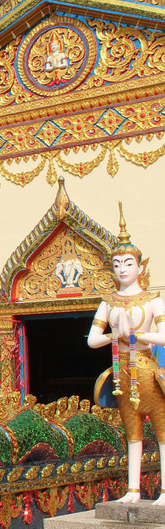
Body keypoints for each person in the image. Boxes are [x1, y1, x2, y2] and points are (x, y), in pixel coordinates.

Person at [88, 204, 165, 504]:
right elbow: (92, 340)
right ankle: (132, 490)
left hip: (148, 371)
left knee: (161, 434)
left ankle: (163, 491)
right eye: (117, 264)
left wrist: (137, 335)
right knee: (132, 434)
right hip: (121, 375)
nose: (123, 270)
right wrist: (112, 335)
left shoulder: (153, 301)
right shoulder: (109, 303)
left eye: (128, 264)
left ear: (141, 267)